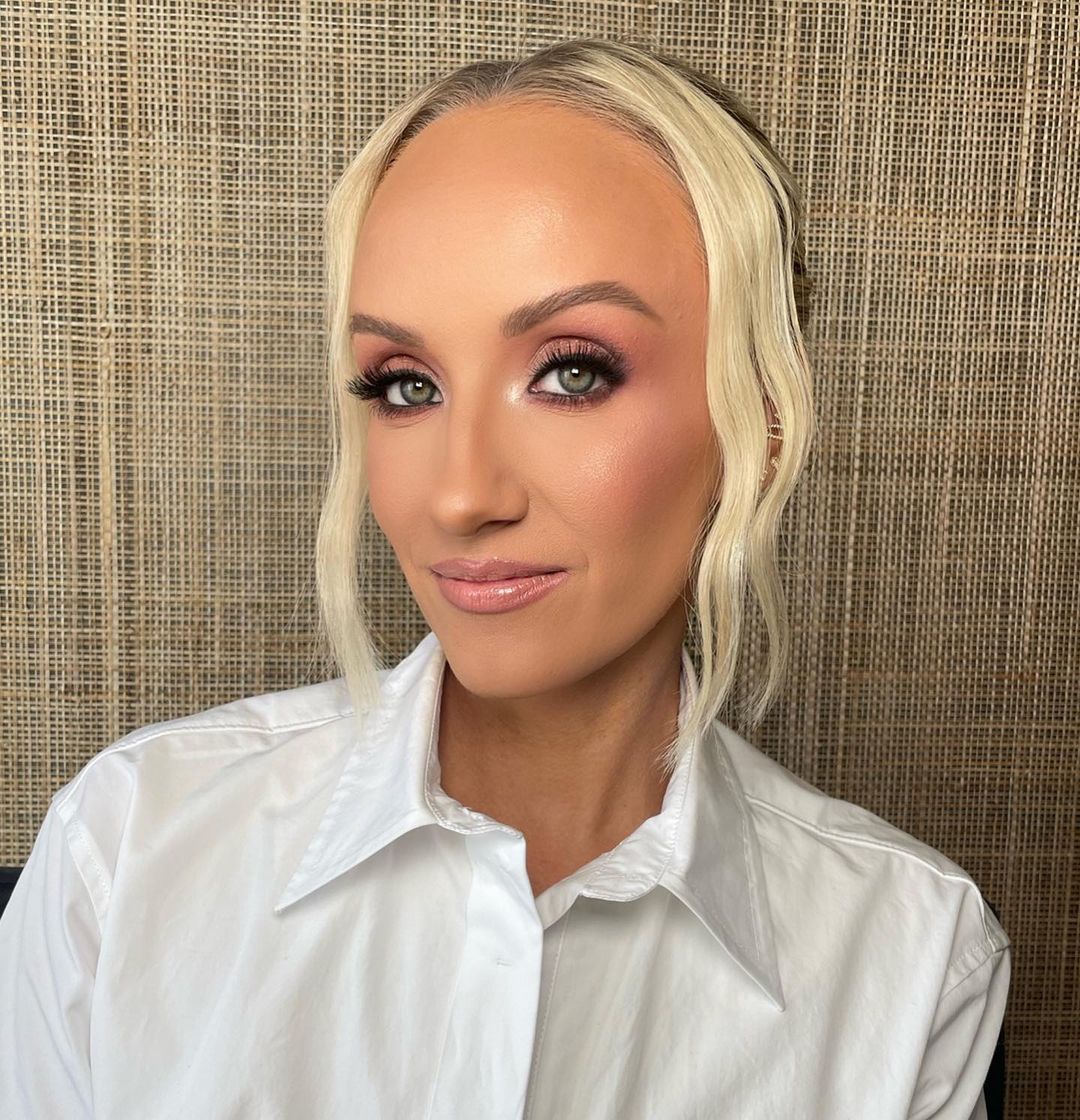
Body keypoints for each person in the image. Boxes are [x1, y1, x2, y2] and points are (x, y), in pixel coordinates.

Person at [0, 36, 1010, 1119]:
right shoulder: (129, 850)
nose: (460, 494)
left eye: (572, 373)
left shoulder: (914, 956)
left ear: (759, 420)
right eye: (405, 385)